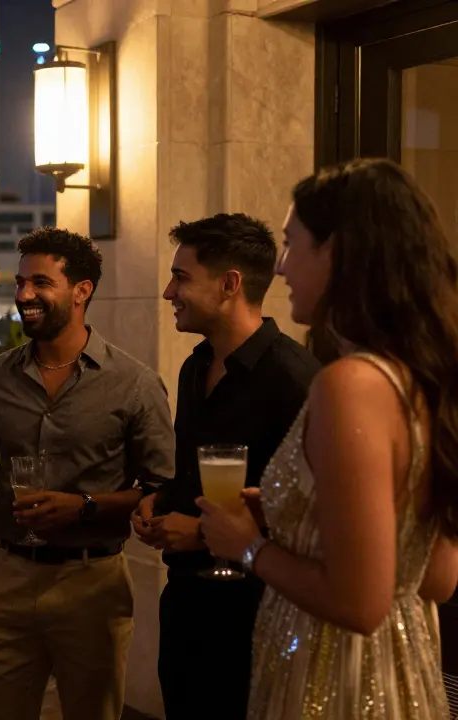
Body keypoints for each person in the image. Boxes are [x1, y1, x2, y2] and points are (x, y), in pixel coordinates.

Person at [198, 158, 458, 719]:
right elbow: (437, 578)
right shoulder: (421, 380)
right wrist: (297, 513)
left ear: (337, 252)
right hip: (401, 670)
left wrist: (247, 546)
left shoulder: (350, 385)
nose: (282, 266)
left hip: (334, 677)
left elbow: (359, 603)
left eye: (292, 243)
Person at [0, 227, 175, 720]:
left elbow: (162, 489)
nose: (24, 295)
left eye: (40, 283)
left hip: (91, 583)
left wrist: (84, 507)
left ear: (81, 291)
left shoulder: (134, 384)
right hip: (5, 578)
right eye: (20, 282)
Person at [129, 214, 319, 719]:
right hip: (187, 607)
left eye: (181, 277)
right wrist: (160, 499)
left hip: (257, 617)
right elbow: (192, 473)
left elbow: (314, 516)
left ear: (230, 284)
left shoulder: (295, 379)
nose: (168, 292)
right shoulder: (195, 367)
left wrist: (200, 533)